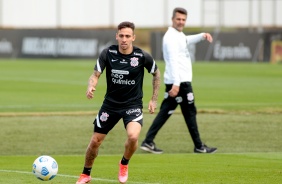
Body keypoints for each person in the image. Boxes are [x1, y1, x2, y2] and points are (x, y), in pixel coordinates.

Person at [76, 21, 161, 184]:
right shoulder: (108, 53)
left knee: (133, 136)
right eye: (121, 36)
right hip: (110, 105)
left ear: (133, 38)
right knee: (95, 141)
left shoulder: (142, 56)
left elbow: (156, 74)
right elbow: (95, 74)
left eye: (127, 36)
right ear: (117, 36)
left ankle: (124, 163)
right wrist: (91, 86)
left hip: (132, 105)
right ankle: (85, 174)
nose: (124, 39)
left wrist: (154, 99)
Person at [140, 7, 217, 154]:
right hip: (180, 83)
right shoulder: (170, 38)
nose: (181, 22)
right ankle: (199, 146)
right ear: (172, 19)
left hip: (177, 81)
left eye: (183, 19)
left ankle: (148, 141)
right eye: (178, 19)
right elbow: (173, 61)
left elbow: (186, 40)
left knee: (167, 112)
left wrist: (202, 35)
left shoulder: (177, 35)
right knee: (190, 113)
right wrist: (176, 84)